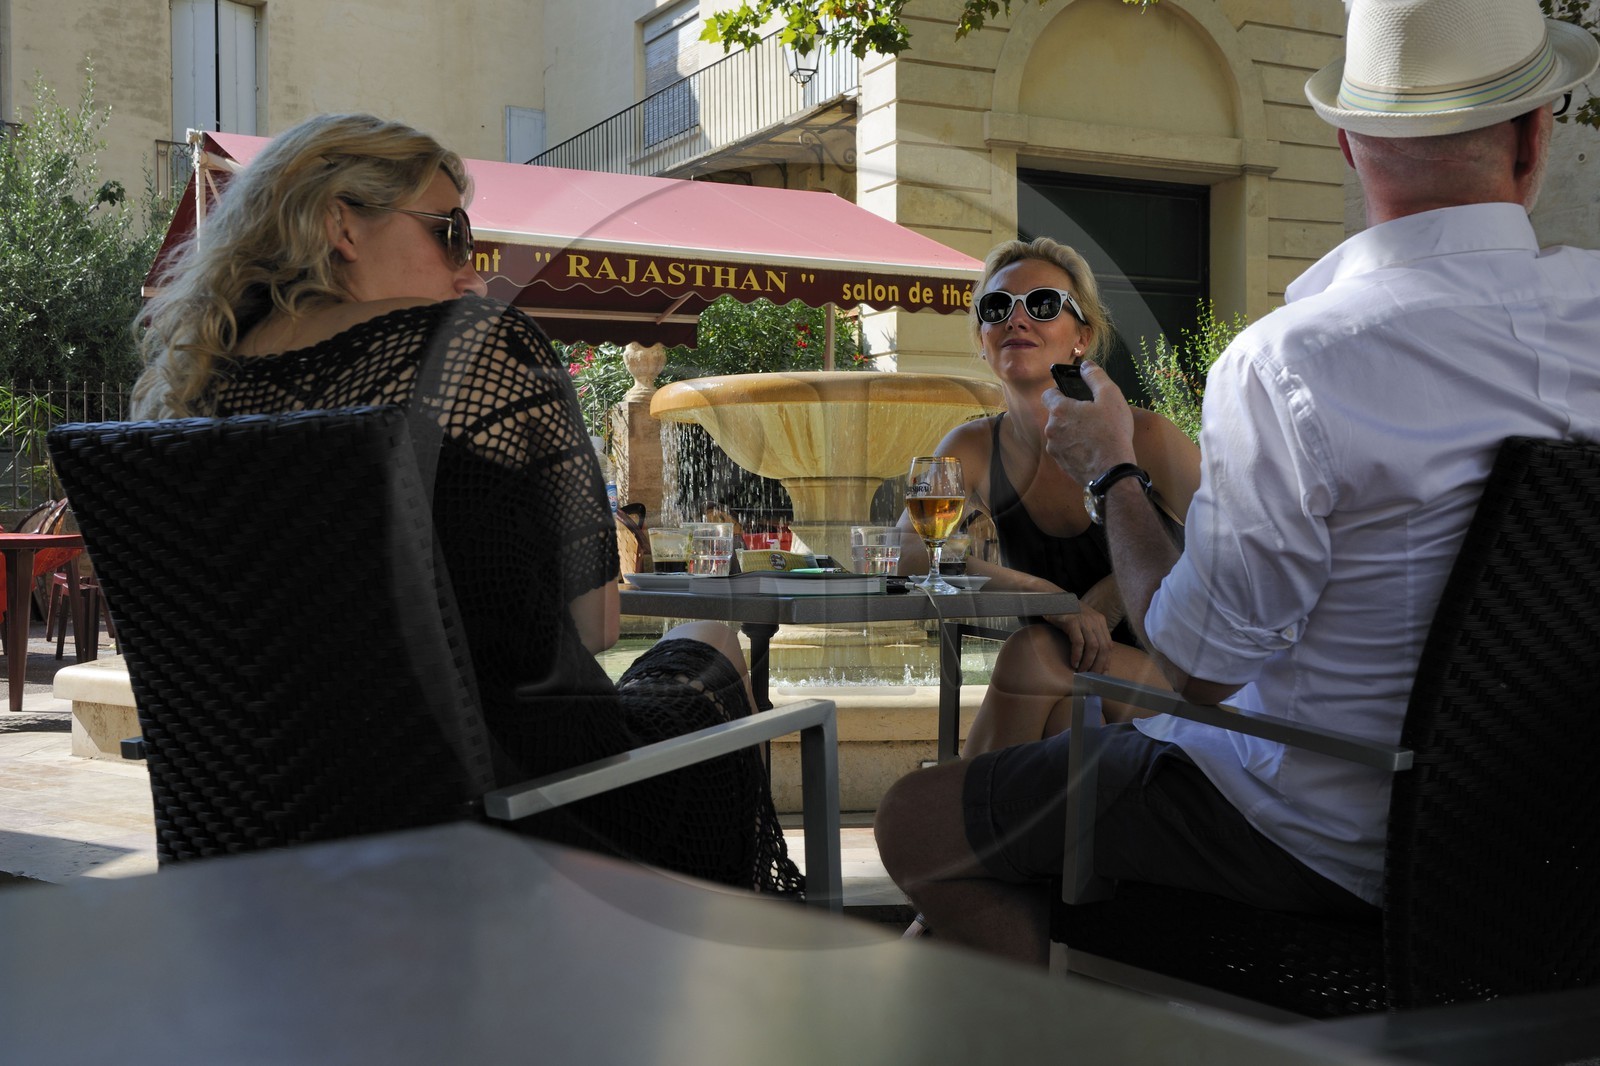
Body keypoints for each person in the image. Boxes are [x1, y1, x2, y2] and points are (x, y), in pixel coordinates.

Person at [875, 0, 1600, 964]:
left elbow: (1201, 667)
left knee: (919, 822)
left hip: (1328, 838)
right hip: (1559, 849)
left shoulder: (1291, 364)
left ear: (1347, 143)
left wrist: (1115, 476)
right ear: (1538, 132)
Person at [131, 113, 802, 895]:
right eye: (448, 231)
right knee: (710, 636)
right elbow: (597, 624)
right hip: (509, 807)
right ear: (341, 224)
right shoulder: (480, 349)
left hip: (265, 824)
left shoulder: (193, 393)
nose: (467, 265)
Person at [893, 238, 1200, 754]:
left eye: (1042, 304)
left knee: (1033, 653)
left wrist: (1116, 592)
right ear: (982, 339)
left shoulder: (1147, 438)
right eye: (997, 307)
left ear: (1081, 337)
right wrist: (1042, 595)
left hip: (1179, 678)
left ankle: (951, 812)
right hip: (1067, 684)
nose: (1016, 320)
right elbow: (906, 551)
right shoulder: (970, 447)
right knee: (1060, 716)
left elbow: (1239, 547)